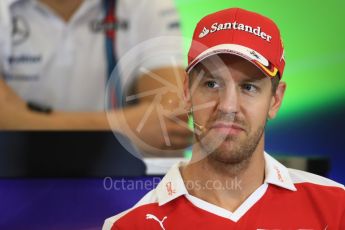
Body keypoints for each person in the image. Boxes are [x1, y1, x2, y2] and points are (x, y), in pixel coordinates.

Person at [103, 8, 345, 229]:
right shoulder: (130, 226)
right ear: (186, 92)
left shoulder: (336, 209)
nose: (228, 106)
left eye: (249, 87)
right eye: (211, 83)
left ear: (275, 100)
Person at [0, 0, 191, 152]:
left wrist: (26, 119)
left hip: (115, 178)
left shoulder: (146, 4)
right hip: (12, 176)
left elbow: (170, 123)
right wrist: (122, 125)